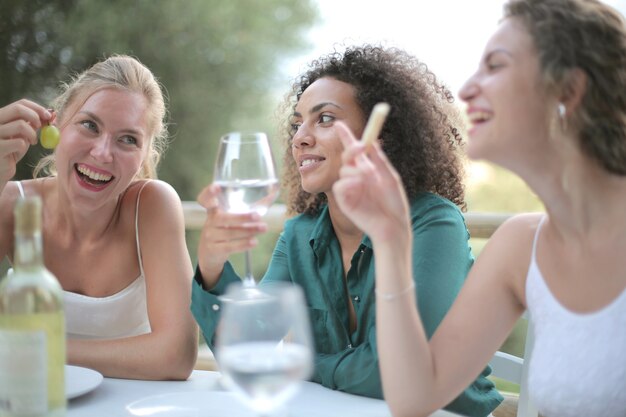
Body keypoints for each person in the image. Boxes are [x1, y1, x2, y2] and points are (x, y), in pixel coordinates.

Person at [332, 1, 626, 417]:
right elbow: (415, 396)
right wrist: (392, 239)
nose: (467, 87)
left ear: (568, 91)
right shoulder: (521, 247)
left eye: (495, 65)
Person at [191, 45, 503, 416]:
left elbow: (391, 374)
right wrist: (211, 265)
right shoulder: (299, 235)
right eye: (297, 123)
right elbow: (246, 347)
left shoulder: (433, 224)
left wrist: (301, 363)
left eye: (324, 119)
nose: (299, 138)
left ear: (379, 137)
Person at [0, 55, 198, 380]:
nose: (103, 153)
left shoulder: (152, 206)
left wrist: (36, 348)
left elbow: (176, 355)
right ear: (57, 124)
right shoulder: (13, 203)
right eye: (89, 125)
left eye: (128, 139)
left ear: (145, 156)